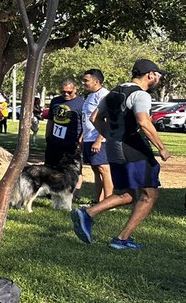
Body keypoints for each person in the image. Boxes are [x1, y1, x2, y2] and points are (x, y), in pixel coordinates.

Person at [71, 59, 172, 250]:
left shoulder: (114, 92)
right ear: (150, 75)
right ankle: (120, 239)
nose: (159, 79)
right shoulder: (140, 95)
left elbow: (95, 118)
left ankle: (88, 214)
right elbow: (143, 122)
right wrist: (162, 148)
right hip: (133, 147)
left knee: (126, 194)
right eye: (158, 75)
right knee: (149, 194)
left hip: (113, 147)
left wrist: (110, 136)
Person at [80, 69, 113, 204]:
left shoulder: (104, 95)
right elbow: (86, 118)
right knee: (96, 169)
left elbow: (108, 120)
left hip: (100, 139)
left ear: (96, 81)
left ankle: (109, 202)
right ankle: (98, 201)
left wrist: (99, 139)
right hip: (89, 138)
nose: (84, 83)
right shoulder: (90, 96)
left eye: (86, 81)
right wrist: (82, 136)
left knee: (104, 169)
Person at [45, 78, 85, 169]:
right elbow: (50, 120)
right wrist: (47, 136)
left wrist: (81, 140)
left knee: (70, 171)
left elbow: (85, 125)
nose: (66, 94)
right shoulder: (55, 101)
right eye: (63, 92)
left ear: (75, 89)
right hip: (54, 143)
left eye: (69, 92)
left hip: (71, 144)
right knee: (49, 169)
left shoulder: (82, 104)